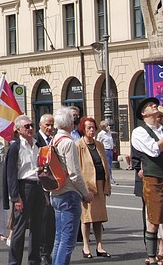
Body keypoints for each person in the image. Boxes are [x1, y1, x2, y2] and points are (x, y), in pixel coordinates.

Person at [131, 96, 163, 264]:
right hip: (153, 179)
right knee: (154, 220)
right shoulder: (139, 132)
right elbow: (154, 150)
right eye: (150, 105)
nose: (154, 106)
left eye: (155, 104)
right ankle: (151, 256)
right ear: (144, 113)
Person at [48, 107, 92, 265]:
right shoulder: (68, 143)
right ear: (69, 124)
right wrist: (86, 193)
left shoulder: (53, 140)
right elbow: (74, 174)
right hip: (68, 192)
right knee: (68, 240)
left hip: (55, 191)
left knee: (59, 237)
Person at [6, 115, 44, 265]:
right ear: (19, 130)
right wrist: (16, 197)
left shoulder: (37, 144)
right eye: (26, 126)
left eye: (31, 125)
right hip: (24, 187)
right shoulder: (15, 147)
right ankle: (14, 262)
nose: (30, 128)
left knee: (37, 227)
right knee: (19, 229)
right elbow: (11, 174)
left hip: (38, 186)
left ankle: (34, 260)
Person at [76, 117, 112, 258]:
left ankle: (99, 245)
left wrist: (107, 184)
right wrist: (82, 188)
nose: (91, 130)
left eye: (93, 127)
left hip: (100, 183)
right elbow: (78, 168)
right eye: (88, 128)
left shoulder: (99, 145)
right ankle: (86, 246)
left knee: (99, 217)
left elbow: (104, 165)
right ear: (83, 130)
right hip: (87, 186)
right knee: (87, 218)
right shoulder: (78, 145)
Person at [35, 113, 57, 261]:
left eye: (51, 125)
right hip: (40, 185)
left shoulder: (55, 140)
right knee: (43, 219)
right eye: (47, 125)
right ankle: (42, 253)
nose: (50, 128)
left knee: (51, 221)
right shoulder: (36, 140)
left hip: (55, 183)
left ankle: (48, 250)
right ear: (40, 126)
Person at [96, 120, 116, 184]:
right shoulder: (101, 134)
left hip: (110, 150)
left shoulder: (109, 132)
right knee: (108, 166)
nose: (108, 127)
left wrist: (113, 147)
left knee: (110, 165)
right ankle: (109, 178)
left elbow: (110, 140)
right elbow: (98, 142)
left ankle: (109, 177)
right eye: (107, 126)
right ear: (103, 127)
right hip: (106, 150)